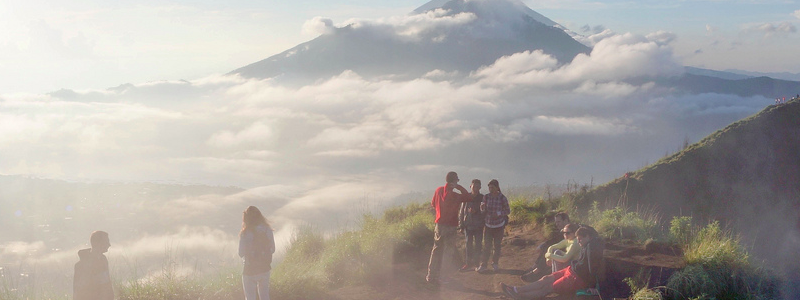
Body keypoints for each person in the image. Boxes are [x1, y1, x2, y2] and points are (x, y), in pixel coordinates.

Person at [501, 227, 604, 299]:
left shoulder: (592, 248)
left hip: (577, 278)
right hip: (571, 270)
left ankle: (520, 296)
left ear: (588, 237)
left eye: (580, 239)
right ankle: (516, 289)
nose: (579, 242)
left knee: (547, 288)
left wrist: (593, 286)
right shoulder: (587, 245)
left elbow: (592, 268)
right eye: (578, 239)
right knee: (545, 278)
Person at [426, 171, 473, 284]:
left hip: (439, 225)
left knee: (436, 250)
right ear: (454, 181)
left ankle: (430, 275)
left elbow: (433, 204)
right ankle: (443, 277)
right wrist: (459, 187)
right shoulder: (454, 195)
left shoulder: (438, 190)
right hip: (450, 226)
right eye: (457, 180)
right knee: (448, 252)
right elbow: (468, 197)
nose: (458, 181)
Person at [239, 206, 276, 300]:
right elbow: (273, 249)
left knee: (250, 297)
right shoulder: (267, 229)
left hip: (249, 269)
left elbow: (241, 253)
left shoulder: (245, 233)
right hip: (265, 268)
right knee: (265, 296)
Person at [521, 212, 570, 281]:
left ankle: (536, 271)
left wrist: (547, 245)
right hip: (565, 251)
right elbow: (556, 240)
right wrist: (544, 244)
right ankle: (535, 269)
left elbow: (560, 241)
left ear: (566, 220)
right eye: (556, 222)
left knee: (550, 249)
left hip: (569, 254)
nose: (557, 224)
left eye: (559, 222)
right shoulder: (564, 230)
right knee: (547, 247)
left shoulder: (570, 230)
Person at [476, 179, 510, 273]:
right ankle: (483, 264)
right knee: (487, 246)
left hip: (499, 225)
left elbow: (507, 210)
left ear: (497, 188)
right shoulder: (486, 197)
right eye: (489, 187)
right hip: (488, 225)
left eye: (492, 187)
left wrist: (499, 213)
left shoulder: (502, 198)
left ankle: (495, 263)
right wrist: (482, 209)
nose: (490, 189)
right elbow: (483, 211)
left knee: (497, 245)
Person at [74, 231, 114, 300]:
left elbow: (107, 284)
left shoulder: (103, 259)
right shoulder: (82, 265)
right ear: (98, 243)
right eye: (106, 241)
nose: (109, 244)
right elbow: (80, 292)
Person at [458, 179, 485, 271]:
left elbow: (485, 211)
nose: (476, 188)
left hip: (479, 225)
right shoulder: (466, 197)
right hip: (468, 225)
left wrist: (477, 211)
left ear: (480, 187)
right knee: (468, 245)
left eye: (478, 187)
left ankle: (477, 263)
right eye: (474, 186)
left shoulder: (482, 198)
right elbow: (461, 211)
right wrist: (461, 225)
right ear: (470, 186)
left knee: (478, 245)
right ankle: (468, 263)